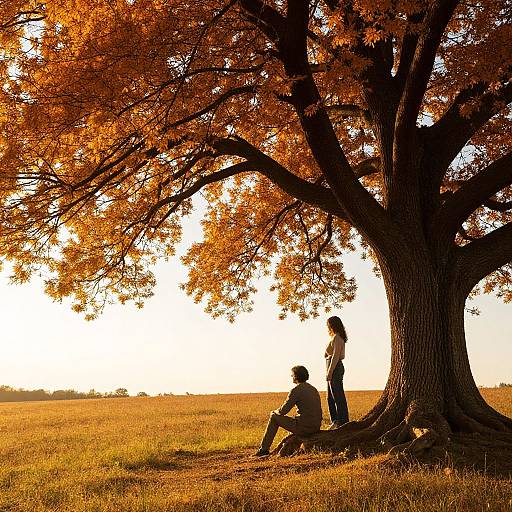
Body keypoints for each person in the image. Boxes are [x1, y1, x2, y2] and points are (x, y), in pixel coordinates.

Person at [254, 365, 322, 457]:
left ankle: (264, 449)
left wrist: (274, 412)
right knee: (294, 418)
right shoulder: (313, 389)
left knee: (274, 417)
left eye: (292, 375)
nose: (291, 377)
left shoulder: (296, 390)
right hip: (316, 426)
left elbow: (283, 411)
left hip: (304, 428)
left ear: (296, 376)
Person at [325, 315, 349, 428]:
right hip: (332, 366)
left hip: (335, 367)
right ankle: (335, 420)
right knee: (330, 397)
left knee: (337, 396)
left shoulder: (337, 338)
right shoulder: (336, 338)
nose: (327, 327)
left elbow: (336, 356)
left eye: (328, 325)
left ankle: (342, 421)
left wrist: (329, 372)